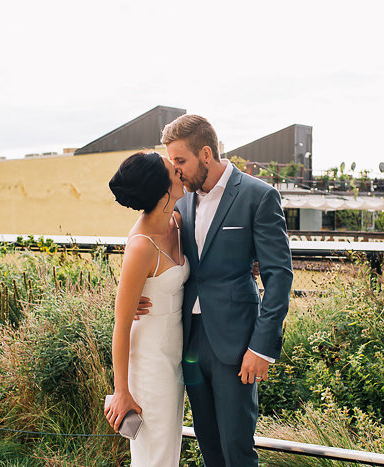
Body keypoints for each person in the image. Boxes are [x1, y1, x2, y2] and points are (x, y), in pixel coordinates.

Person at [160, 114, 293, 466]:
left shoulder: (258, 196)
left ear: (206, 154)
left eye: (180, 161)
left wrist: (262, 348)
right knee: (209, 447)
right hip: (189, 339)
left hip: (237, 344)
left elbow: (279, 277)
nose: (176, 171)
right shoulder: (181, 201)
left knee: (237, 450)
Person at [104, 151, 188, 466]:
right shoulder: (141, 245)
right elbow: (121, 324)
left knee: (168, 450)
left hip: (175, 357)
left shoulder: (177, 221)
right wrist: (121, 390)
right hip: (150, 362)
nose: (180, 171)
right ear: (164, 190)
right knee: (155, 455)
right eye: (173, 170)